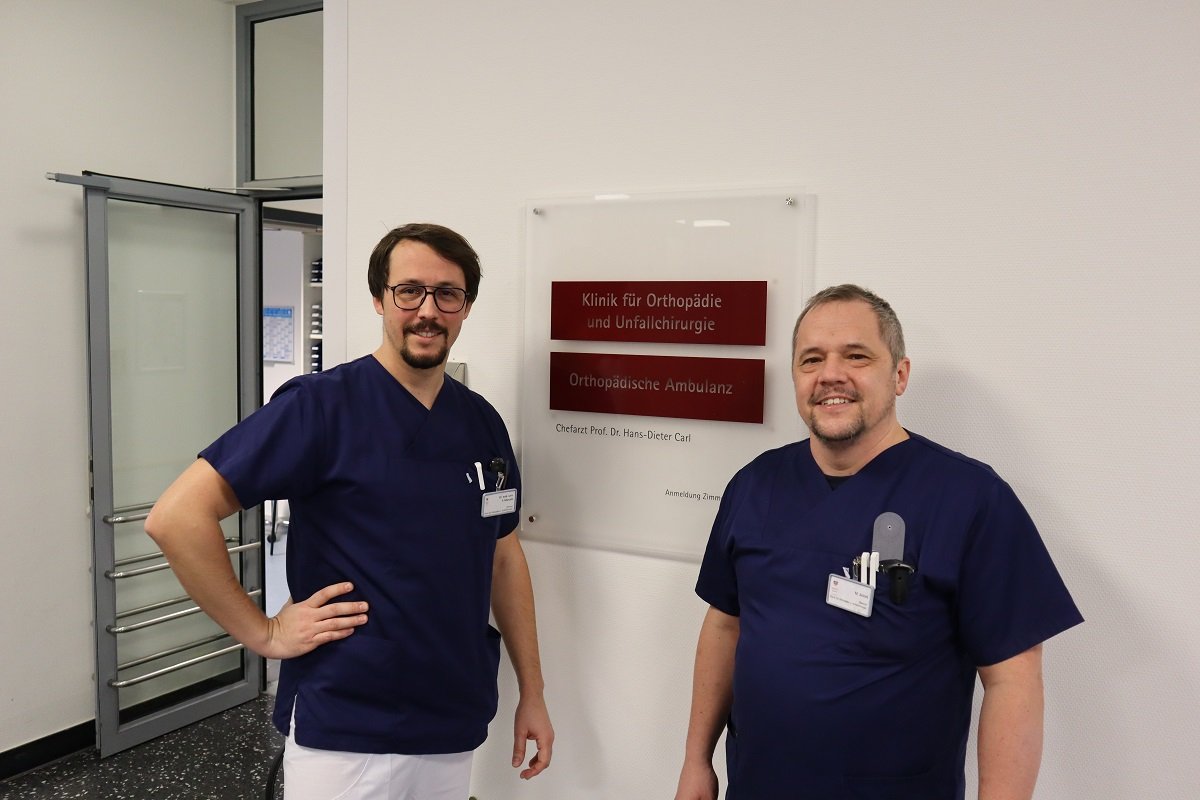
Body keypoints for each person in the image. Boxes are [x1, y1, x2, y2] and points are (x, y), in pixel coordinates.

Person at [146, 223, 553, 799]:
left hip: (451, 714)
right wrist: (261, 633)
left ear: (466, 308)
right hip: (347, 720)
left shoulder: (481, 423)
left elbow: (503, 557)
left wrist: (532, 692)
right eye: (408, 291)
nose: (427, 311)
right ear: (379, 299)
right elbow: (176, 516)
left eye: (448, 294)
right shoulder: (319, 407)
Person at [674, 284, 1082, 800]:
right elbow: (724, 625)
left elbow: (1013, 680)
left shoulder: (970, 499)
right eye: (811, 359)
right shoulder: (754, 486)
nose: (831, 375)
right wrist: (696, 761)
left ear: (900, 375)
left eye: (857, 356)